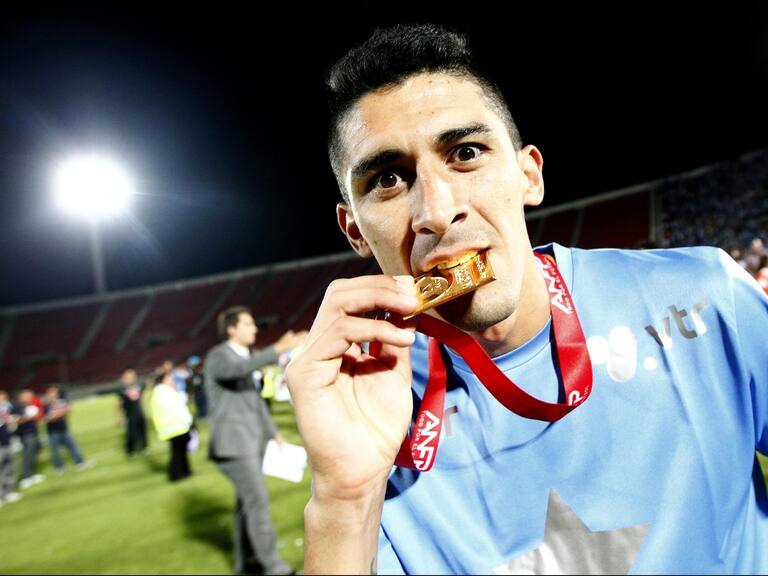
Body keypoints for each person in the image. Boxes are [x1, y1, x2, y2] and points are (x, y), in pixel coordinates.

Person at [285, 24, 768, 575]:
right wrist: (344, 501)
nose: (436, 213)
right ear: (355, 231)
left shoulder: (703, 294)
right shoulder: (368, 411)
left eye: (466, 153)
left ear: (528, 175)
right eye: (388, 179)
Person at [204, 306, 307, 576]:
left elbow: (255, 401)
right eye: (248, 324)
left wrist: (273, 433)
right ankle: (274, 567)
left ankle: (247, 563)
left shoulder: (246, 356)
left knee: (246, 505)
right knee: (257, 501)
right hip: (233, 445)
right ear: (232, 330)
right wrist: (278, 348)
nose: (255, 329)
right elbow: (238, 370)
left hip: (249, 441)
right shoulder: (219, 356)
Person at [150, 370, 193, 482]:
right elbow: (178, 406)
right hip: (174, 426)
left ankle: (185, 471)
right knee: (177, 452)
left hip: (174, 426)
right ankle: (175, 474)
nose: (172, 380)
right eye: (169, 378)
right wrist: (187, 420)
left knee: (180, 451)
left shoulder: (162, 392)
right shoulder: (164, 392)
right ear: (163, 380)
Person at [43, 385, 92, 475]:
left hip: (64, 428)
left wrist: (60, 413)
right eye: (51, 392)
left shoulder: (61, 402)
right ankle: (59, 467)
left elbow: (69, 411)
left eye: (55, 392)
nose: (53, 394)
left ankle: (80, 462)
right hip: (53, 431)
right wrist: (60, 413)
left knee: (73, 446)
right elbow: (49, 418)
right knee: (55, 451)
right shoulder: (46, 405)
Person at [11, 389, 45, 490]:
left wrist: (36, 417)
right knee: (27, 456)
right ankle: (25, 477)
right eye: (27, 396)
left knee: (33, 455)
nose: (30, 397)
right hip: (25, 435)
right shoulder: (16, 407)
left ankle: (32, 474)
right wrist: (29, 417)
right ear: (21, 397)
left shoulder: (29, 406)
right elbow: (15, 421)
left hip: (33, 433)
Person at [117, 368, 148, 456]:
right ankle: (130, 450)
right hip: (130, 414)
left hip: (139, 413)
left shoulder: (139, 387)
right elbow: (120, 404)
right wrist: (119, 417)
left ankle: (144, 447)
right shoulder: (123, 389)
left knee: (142, 430)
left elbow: (141, 399)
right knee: (131, 433)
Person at [0, 390, 21, 505]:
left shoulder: (6, 411)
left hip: (7, 443)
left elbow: (11, 426)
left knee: (8, 469)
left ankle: (8, 493)